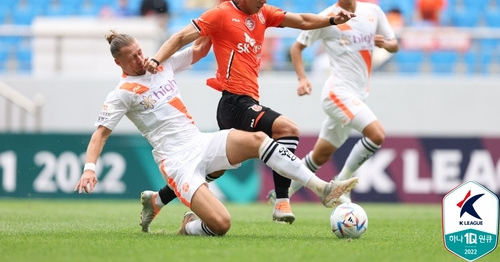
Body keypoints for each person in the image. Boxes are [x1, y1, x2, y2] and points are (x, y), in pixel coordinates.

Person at [73, 30, 359, 237]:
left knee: (259, 139)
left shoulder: (162, 64)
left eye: (139, 51)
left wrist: (219, 15)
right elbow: (100, 134)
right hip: (175, 162)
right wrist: (89, 168)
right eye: (132, 57)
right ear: (118, 63)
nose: (140, 58)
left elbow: (200, 48)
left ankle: (323, 189)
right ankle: (187, 225)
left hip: (199, 141)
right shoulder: (121, 94)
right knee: (221, 225)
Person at [142, 0, 355, 228]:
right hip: (233, 102)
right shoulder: (220, 14)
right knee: (287, 129)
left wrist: (333, 19)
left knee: (210, 169)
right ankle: (282, 200)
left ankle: (157, 200)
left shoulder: (263, 14)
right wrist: (156, 60)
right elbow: (180, 37)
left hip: (246, 102)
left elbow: (301, 19)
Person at [268, 0, 398, 205]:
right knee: (377, 135)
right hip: (338, 93)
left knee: (320, 155)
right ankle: (342, 183)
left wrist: (384, 43)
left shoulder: (373, 12)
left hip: (357, 95)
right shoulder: (328, 17)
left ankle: (280, 196)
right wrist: (302, 79)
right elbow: (296, 48)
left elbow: (394, 44)